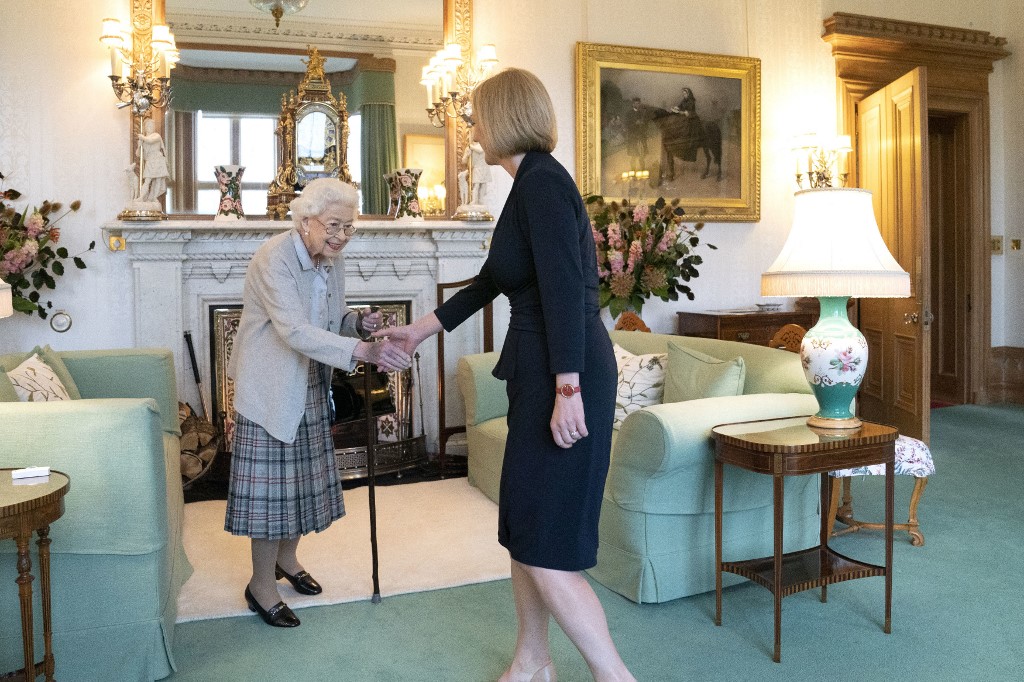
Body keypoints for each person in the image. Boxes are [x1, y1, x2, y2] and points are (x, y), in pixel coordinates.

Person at [375, 68, 635, 682]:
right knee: (524, 530)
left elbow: (568, 293)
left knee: (546, 547)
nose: (472, 127)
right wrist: (420, 330)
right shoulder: (527, 187)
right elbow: (494, 281)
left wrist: (567, 389)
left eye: (477, 116)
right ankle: (532, 662)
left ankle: (614, 676)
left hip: (561, 373)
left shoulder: (543, 183)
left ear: (505, 117)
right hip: (539, 371)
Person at [224, 178, 411, 628]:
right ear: (305, 220)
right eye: (334, 225)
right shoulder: (274, 258)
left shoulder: (331, 259)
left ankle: (287, 561)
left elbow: (326, 321)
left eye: (349, 227)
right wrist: (363, 352)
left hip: (309, 380)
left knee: (300, 486)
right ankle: (260, 586)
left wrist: (355, 323)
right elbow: (292, 330)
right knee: (271, 495)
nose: (341, 236)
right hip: (270, 385)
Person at [137, 118, 170, 202]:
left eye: (152, 126)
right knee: (147, 180)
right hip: (150, 160)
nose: (150, 127)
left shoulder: (156, 135)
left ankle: (154, 197)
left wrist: (143, 138)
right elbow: (138, 154)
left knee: (158, 179)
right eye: (148, 126)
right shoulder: (143, 139)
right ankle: (141, 197)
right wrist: (139, 146)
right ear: (145, 127)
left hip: (158, 159)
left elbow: (150, 141)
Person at [462, 140, 492, 205]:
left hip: (484, 167)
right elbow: (463, 161)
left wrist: (472, 147)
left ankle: (481, 201)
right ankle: (475, 201)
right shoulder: (469, 148)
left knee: (483, 185)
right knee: (476, 185)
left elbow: (480, 150)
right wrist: (467, 155)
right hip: (477, 167)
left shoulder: (483, 145)